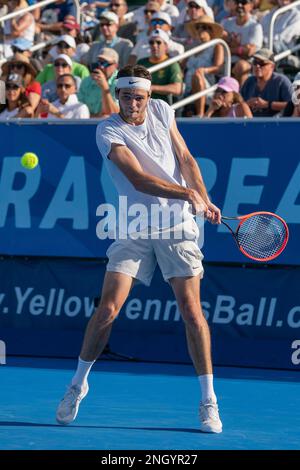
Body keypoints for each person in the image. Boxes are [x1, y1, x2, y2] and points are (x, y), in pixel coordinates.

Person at [56, 64, 223, 434]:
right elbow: (136, 178)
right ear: (118, 96)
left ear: (150, 97)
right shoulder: (107, 129)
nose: (133, 103)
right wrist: (186, 193)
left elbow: (185, 159)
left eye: (140, 97)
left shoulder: (163, 111)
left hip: (178, 226)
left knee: (192, 311)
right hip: (132, 225)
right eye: (127, 96)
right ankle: (77, 385)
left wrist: (204, 198)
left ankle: (208, 400)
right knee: (108, 309)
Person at [241, 48, 292, 117]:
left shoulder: (282, 81)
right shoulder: (249, 82)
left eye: (262, 63)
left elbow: (294, 106)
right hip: (251, 126)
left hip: (276, 126)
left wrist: (267, 104)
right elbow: (239, 104)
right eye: (255, 62)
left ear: (272, 66)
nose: (257, 66)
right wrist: (246, 104)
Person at [137, 29, 183, 105]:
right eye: (151, 43)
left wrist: (152, 88)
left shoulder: (172, 64)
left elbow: (177, 89)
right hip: (142, 104)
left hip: (162, 106)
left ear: (166, 46)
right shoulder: (141, 62)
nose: (154, 45)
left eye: (158, 42)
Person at [78, 47, 119, 117]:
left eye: (105, 63)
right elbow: (79, 111)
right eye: (99, 63)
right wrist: (98, 117)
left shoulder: (121, 83)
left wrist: (105, 88)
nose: (101, 67)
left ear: (115, 65)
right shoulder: (86, 81)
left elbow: (115, 114)